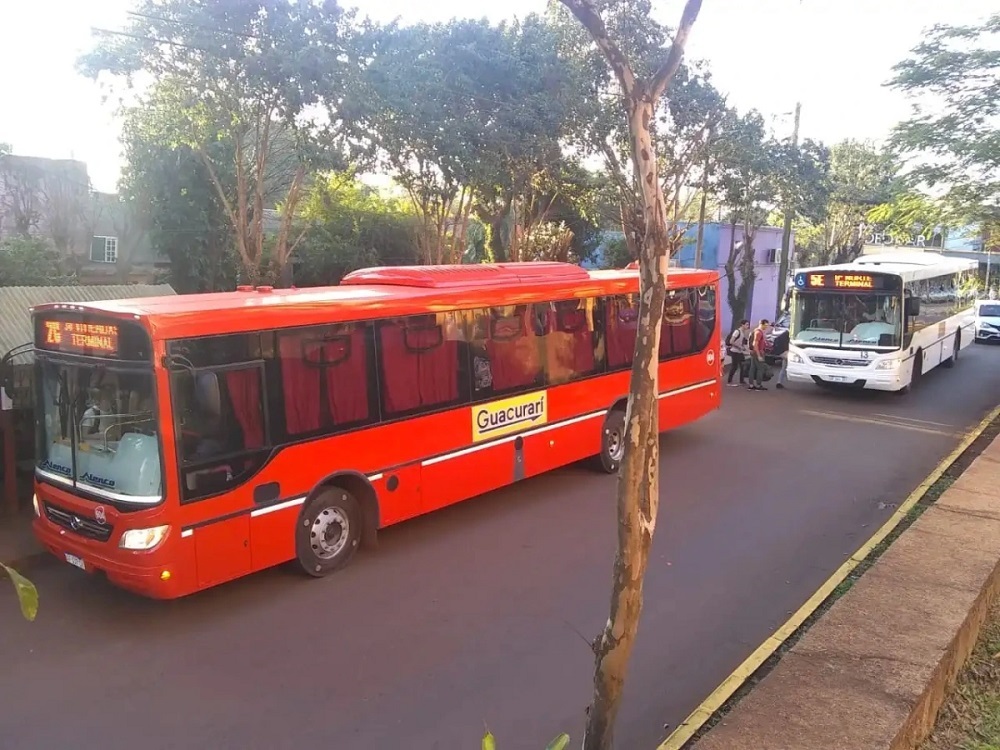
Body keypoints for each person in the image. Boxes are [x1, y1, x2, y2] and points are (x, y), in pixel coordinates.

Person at [725, 319, 751, 387]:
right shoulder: (737, 331)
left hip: (739, 351)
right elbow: (731, 341)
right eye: (746, 324)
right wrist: (739, 347)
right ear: (742, 325)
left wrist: (743, 347)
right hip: (734, 351)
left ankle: (741, 380)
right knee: (734, 366)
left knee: (742, 365)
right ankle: (729, 381)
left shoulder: (742, 332)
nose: (747, 326)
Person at [748, 319, 771, 391]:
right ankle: (758, 385)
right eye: (766, 325)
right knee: (760, 369)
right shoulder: (759, 332)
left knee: (752, 368)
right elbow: (755, 344)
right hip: (758, 352)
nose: (766, 327)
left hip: (753, 352)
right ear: (762, 324)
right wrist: (759, 355)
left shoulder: (755, 331)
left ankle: (751, 385)